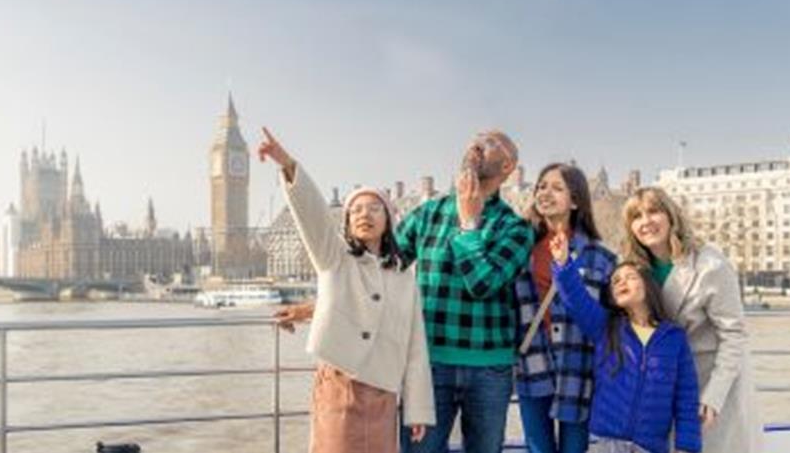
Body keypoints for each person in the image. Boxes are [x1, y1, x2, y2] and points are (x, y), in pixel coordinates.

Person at [258, 127, 434, 453]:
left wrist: (417, 410)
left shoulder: (404, 277)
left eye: (374, 208)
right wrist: (287, 164)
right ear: (347, 222)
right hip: (339, 385)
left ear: (389, 220)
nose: (364, 214)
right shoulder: (334, 258)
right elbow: (313, 216)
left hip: (384, 394)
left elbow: (415, 346)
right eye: (355, 210)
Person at [396, 129, 535, 453]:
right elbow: (380, 268)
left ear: (508, 167)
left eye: (489, 143)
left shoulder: (515, 227)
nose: (476, 145)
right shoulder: (428, 213)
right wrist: (324, 302)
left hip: (490, 369)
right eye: (474, 139)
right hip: (428, 363)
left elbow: (483, 284)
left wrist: (469, 225)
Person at [623, 186, 764, 453]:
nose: (646, 222)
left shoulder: (710, 264)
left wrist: (714, 396)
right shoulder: (635, 270)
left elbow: (734, 334)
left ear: (671, 216)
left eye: (654, 211)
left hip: (712, 381)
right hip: (665, 388)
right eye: (636, 216)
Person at [550, 233, 702, 453]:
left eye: (629, 277)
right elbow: (576, 298)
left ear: (648, 285)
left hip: (651, 447)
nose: (621, 282)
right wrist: (563, 262)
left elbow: (686, 397)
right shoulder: (606, 327)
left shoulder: (674, 338)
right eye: (615, 281)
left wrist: (687, 446)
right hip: (605, 444)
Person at [514, 163, 616, 453]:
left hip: (578, 365)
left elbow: (607, 325)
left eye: (557, 188)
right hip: (531, 362)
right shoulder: (520, 249)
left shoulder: (601, 258)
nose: (546, 193)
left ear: (574, 201)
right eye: (541, 186)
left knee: (575, 448)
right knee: (538, 448)